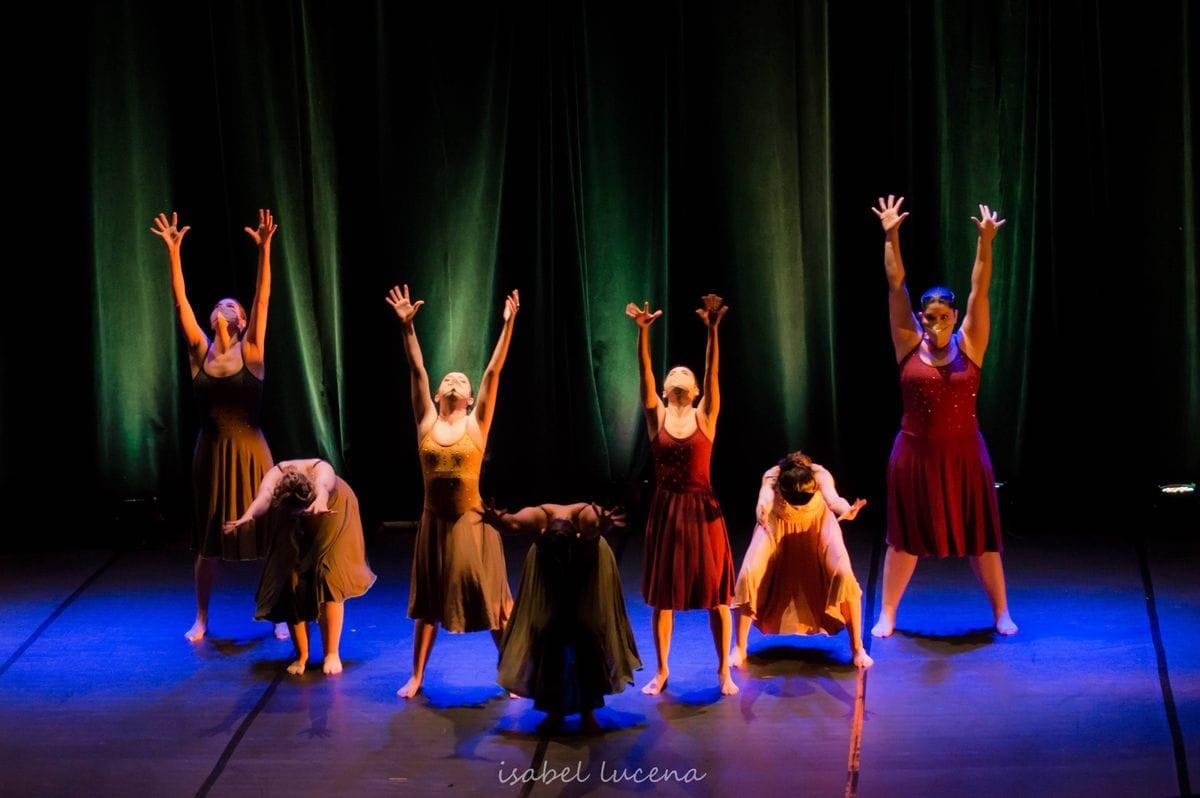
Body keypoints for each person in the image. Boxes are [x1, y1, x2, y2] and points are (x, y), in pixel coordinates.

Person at [869, 195, 1017, 637]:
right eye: (929, 317)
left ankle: (1001, 612)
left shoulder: (970, 344)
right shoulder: (907, 344)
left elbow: (980, 289)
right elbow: (896, 285)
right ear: (921, 316)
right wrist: (891, 234)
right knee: (904, 540)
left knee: (982, 540)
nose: (936, 324)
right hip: (913, 455)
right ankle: (888, 613)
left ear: (954, 317)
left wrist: (985, 243)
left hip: (966, 454)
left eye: (943, 317)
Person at [152, 210, 286, 643]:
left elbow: (263, 299)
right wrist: (174, 253)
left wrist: (265, 250)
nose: (222, 305)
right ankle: (202, 617)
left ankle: (280, 612)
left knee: (268, 532)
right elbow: (180, 302)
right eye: (219, 304)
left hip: (250, 451)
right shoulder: (199, 352)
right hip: (210, 453)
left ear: (242, 320)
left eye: (232, 305)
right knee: (207, 539)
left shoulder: (252, 353)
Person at [386, 283, 519, 698]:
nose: (455, 380)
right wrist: (407, 327)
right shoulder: (426, 421)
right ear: (442, 395)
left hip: (470, 522)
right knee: (428, 600)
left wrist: (508, 325)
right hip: (433, 524)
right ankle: (417, 676)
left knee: (488, 596)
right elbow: (417, 371)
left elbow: (494, 370)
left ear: (470, 397)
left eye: (462, 380)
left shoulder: (476, 423)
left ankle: (511, 670)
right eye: (450, 378)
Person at [625, 294, 737, 696]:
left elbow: (713, 372)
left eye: (683, 372)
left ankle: (724, 670)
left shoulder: (705, 414)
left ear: (692, 389)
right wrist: (643, 335)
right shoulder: (656, 416)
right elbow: (644, 374)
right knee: (663, 599)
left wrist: (712, 330)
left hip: (702, 508)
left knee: (718, 597)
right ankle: (662, 670)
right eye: (672, 371)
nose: (677, 374)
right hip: (668, 511)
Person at [481, 501, 642, 733]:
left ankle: (588, 711)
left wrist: (604, 524)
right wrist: (500, 521)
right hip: (549, 572)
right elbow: (515, 523)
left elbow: (595, 523)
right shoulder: (540, 518)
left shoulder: (583, 518)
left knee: (587, 629)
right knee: (547, 629)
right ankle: (553, 709)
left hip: (589, 568)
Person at [224, 459, 376, 675]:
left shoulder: (322, 472)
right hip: (289, 511)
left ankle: (331, 652)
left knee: (328, 575)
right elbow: (264, 497)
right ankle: (301, 654)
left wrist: (320, 501)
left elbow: (323, 489)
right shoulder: (276, 478)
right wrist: (249, 515)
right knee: (290, 577)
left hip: (332, 507)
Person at [729, 452, 872, 670]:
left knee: (843, 572)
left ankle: (857, 648)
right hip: (776, 524)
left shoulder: (819, 474)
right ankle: (739, 647)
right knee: (749, 572)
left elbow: (833, 500)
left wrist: (848, 510)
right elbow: (765, 498)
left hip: (817, 525)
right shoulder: (773, 477)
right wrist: (762, 510)